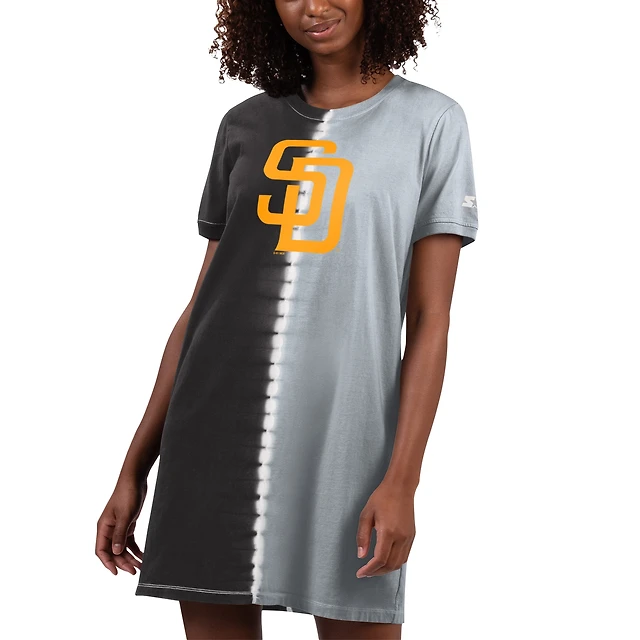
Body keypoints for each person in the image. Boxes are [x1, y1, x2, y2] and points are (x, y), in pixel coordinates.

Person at [95, 0, 479, 638]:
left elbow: (430, 319)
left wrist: (402, 481)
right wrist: (134, 467)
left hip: (347, 446)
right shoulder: (243, 124)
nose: (313, 6)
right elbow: (202, 306)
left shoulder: (432, 121)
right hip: (213, 438)